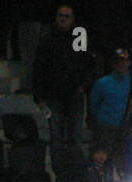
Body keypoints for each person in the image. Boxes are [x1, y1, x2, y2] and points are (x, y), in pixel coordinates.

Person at [31, 5, 91, 145]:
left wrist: (84, 85)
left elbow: (86, 63)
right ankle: (58, 165)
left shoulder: (78, 37)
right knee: (56, 133)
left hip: (75, 93)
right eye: (60, 16)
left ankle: (75, 165)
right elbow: (38, 67)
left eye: (66, 16)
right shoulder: (47, 38)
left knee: (75, 134)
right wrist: (38, 95)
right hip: (53, 94)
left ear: (72, 19)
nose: (63, 19)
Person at [88, 48, 132, 149]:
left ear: (128, 63)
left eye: (123, 61)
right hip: (105, 130)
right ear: (113, 64)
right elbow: (93, 106)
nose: (121, 64)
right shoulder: (101, 83)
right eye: (118, 61)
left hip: (128, 129)